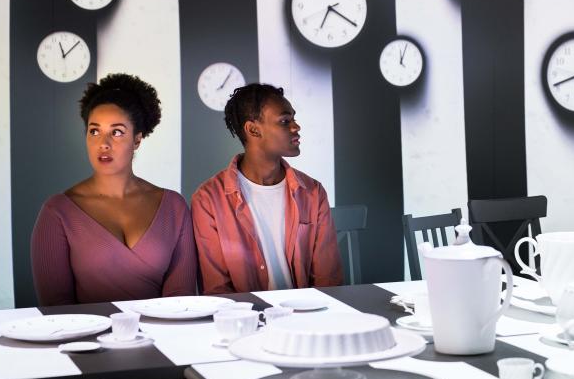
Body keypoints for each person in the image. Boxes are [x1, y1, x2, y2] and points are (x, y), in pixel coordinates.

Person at [31, 74, 198, 306]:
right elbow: (57, 312)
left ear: (137, 140)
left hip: (161, 338)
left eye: (117, 132)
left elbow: (181, 302)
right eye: (94, 131)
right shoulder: (57, 212)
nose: (104, 143)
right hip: (86, 341)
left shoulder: (173, 207)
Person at [191, 83, 342, 294]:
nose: (296, 127)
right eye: (285, 121)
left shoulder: (313, 192)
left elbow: (328, 280)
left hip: (307, 318)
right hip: (245, 320)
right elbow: (217, 289)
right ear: (253, 129)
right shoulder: (208, 200)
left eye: (294, 119)